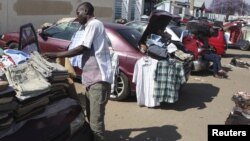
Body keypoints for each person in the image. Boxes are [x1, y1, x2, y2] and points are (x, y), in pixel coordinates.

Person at [43, 2, 113, 141]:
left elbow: (82, 48)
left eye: (78, 13)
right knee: (91, 117)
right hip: (91, 80)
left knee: (95, 121)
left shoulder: (94, 24)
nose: (77, 16)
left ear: (85, 11)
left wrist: (55, 55)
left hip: (98, 81)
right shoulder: (89, 26)